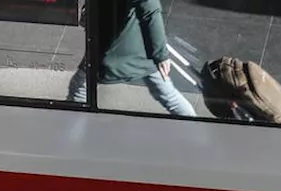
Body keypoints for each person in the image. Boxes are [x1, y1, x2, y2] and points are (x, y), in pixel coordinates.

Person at [66, 0, 196, 117]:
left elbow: (151, 11)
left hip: (116, 51)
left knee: (80, 89)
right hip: (140, 49)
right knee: (168, 94)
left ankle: (71, 133)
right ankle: (195, 127)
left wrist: (161, 55)